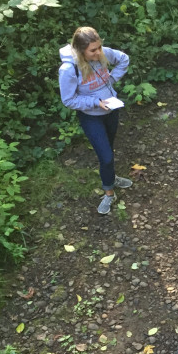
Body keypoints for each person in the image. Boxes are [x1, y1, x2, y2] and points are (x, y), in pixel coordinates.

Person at [59, 27, 133, 215]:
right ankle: (109, 192)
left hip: (111, 109)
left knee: (109, 147)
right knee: (106, 156)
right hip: (91, 116)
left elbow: (124, 59)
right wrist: (95, 102)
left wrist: (112, 80)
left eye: (99, 47)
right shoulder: (69, 69)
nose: (99, 52)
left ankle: (111, 176)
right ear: (80, 50)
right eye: (93, 50)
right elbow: (68, 99)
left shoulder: (103, 53)